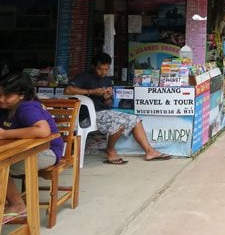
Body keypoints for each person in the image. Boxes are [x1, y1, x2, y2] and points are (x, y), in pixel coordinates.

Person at [64, 52, 171, 164]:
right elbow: (67, 91)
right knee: (118, 121)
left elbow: (109, 104)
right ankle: (110, 150)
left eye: (106, 69)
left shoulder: (107, 80)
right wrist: (91, 92)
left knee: (135, 119)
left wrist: (106, 98)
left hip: (104, 112)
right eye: (100, 69)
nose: (103, 72)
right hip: (88, 116)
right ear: (93, 66)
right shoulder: (85, 76)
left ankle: (150, 151)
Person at [0, 73, 65, 223]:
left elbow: (43, 131)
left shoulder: (27, 108)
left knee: (2, 165)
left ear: (21, 95)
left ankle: (17, 205)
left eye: (7, 96)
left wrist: (4, 134)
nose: (1, 99)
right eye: (0, 94)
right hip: (21, 150)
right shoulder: (5, 107)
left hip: (47, 152)